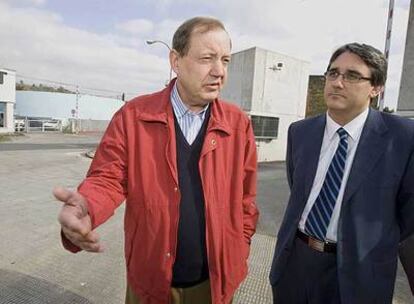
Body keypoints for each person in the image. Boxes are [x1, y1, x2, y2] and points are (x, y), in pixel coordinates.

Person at [54, 16, 259, 304]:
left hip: (214, 285)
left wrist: (240, 248)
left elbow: (246, 200)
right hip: (150, 281)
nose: (219, 71)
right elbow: (108, 177)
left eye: (225, 60)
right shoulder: (134, 116)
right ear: (176, 61)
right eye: (207, 58)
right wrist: (87, 206)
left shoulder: (238, 124)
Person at [269, 42, 414, 303]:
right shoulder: (300, 132)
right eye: (333, 73)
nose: (337, 83)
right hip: (296, 263)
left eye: (352, 76)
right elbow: (299, 190)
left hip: (358, 275)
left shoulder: (403, 139)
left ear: (376, 88)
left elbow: (408, 217)